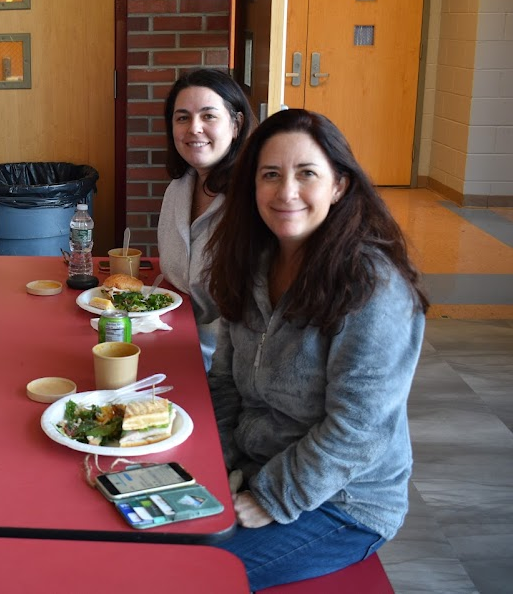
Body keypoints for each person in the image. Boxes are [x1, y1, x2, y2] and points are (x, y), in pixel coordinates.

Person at [205, 109, 428, 590]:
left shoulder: (372, 287)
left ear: (339, 185)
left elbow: (359, 428)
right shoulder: (252, 262)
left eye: (306, 173)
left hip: (341, 503)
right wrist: (216, 464)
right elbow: (223, 380)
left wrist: (273, 497)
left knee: (182, 574)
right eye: (270, 175)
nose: (286, 192)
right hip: (251, 468)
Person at [156, 69, 254, 372]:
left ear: (236, 125)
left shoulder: (252, 199)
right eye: (182, 118)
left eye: (208, 116)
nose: (194, 128)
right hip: (171, 342)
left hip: (227, 369)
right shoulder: (178, 189)